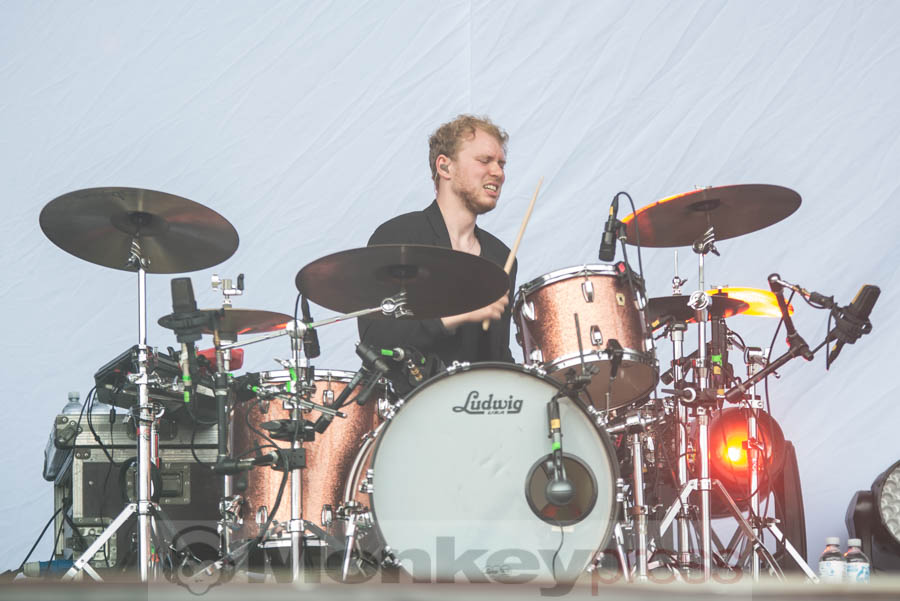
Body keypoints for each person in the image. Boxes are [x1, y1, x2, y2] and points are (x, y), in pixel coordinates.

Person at [357, 114, 517, 366]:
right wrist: (461, 314)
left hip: (477, 401)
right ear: (444, 167)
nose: (498, 172)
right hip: (413, 400)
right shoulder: (399, 238)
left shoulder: (501, 257)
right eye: (485, 160)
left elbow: (496, 356)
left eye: (501, 164)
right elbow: (375, 340)